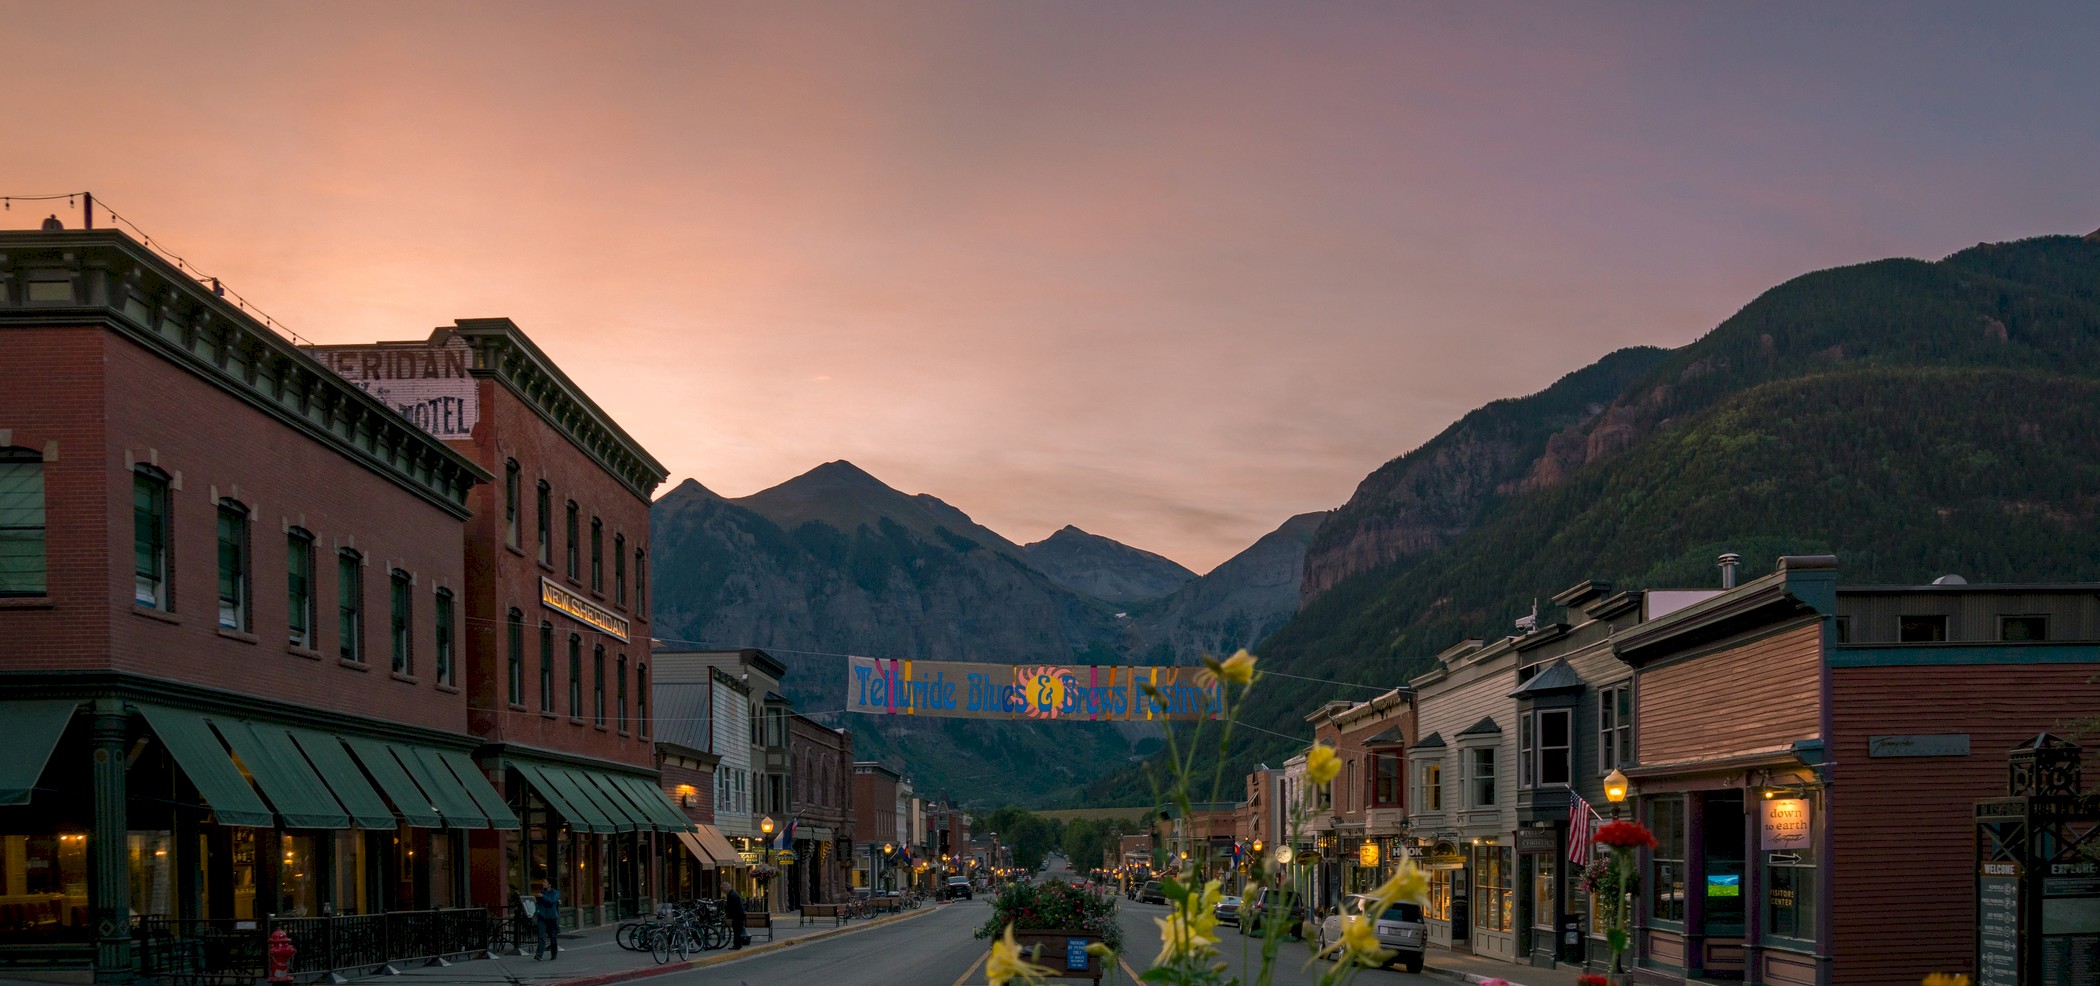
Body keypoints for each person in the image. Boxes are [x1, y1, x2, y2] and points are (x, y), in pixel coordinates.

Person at [533, 881, 561, 960]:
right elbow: (538, 903)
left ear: (550, 884)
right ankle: (539, 954)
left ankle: (554, 954)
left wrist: (543, 896)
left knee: (553, 936)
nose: (543, 883)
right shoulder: (542, 892)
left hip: (552, 917)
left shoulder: (555, 893)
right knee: (542, 936)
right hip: (542, 917)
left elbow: (552, 901)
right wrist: (537, 911)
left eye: (545, 882)